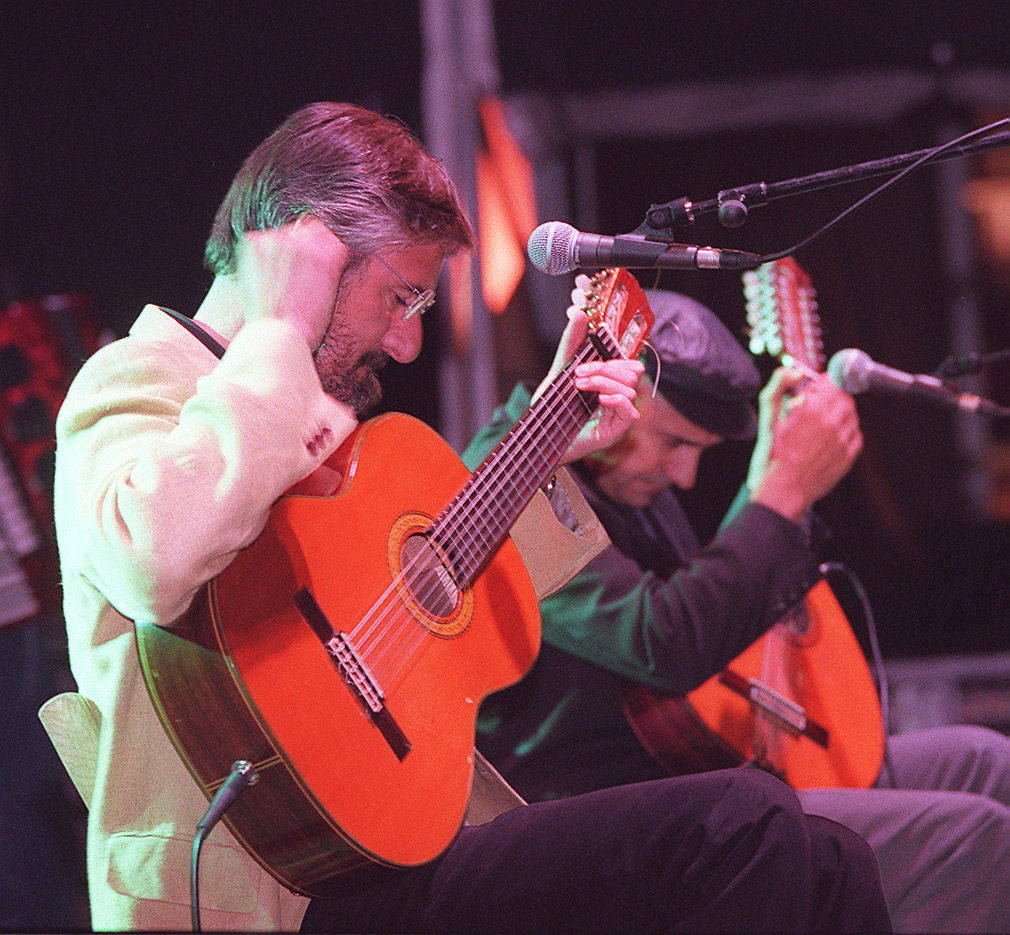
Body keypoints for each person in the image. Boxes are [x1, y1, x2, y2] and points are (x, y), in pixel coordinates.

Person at [48, 103, 891, 933]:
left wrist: (547, 441)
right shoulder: (140, 377)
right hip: (263, 882)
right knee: (743, 819)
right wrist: (282, 324)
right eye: (402, 298)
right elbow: (154, 558)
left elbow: (445, 610)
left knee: (829, 859)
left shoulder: (320, 416)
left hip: (388, 841)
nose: (409, 344)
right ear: (307, 248)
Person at [468, 283, 1010, 934]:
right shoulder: (505, 474)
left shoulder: (632, 482)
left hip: (702, 768)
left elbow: (706, 631)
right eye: (674, 441)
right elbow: (660, 641)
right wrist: (779, 495)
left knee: (987, 760)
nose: (687, 474)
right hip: (610, 807)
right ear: (618, 388)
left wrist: (767, 487)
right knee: (971, 834)